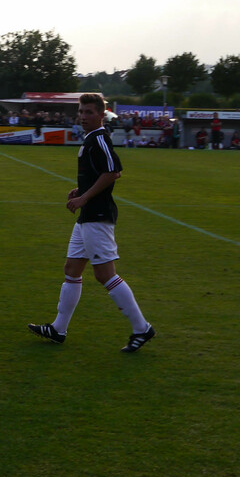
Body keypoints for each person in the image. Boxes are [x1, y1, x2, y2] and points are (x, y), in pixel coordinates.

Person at [29, 93, 155, 352]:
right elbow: (100, 174)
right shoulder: (90, 139)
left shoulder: (99, 139)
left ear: (101, 114)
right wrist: (81, 189)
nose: (83, 117)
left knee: (104, 274)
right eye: (81, 112)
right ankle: (58, 329)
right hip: (88, 217)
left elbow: (113, 172)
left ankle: (142, 328)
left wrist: (85, 196)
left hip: (97, 217)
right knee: (72, 269)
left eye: (88, 112)